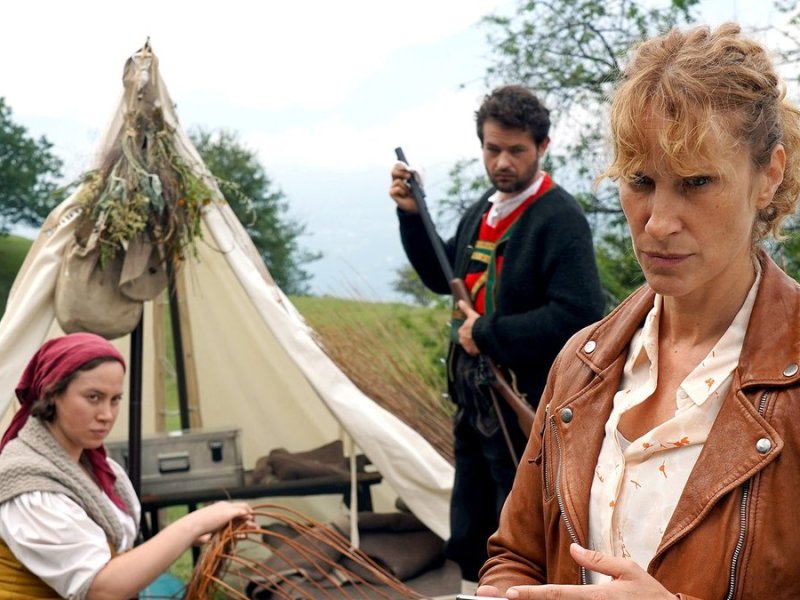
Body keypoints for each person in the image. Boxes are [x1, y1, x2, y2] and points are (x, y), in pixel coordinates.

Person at [477, 22, 800, 599]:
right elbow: (515, 555)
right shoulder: (582, 365)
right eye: (641, 180)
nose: (657, 222)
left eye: (697, 182)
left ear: (768, 176)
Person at [389, 84, 605, 588]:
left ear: (542, 147)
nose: (502, 162)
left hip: (523, 403)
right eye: (492, 149)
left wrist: (487, 331)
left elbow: (578, 315)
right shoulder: (484, 207)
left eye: (516, 150)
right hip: (476, 398)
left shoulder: (560, 218)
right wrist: (411, 215)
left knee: (521, 530)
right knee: (470, 523)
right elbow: (442, 272)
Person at [0, 332, 255, 599]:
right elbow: (100, 589)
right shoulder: (29, 484)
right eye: (93, 397)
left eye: (115, 399)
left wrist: (189, 535)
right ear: (52, 395)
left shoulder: (95, 467)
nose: (107, 415)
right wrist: (191, 524)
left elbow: (114, 558)